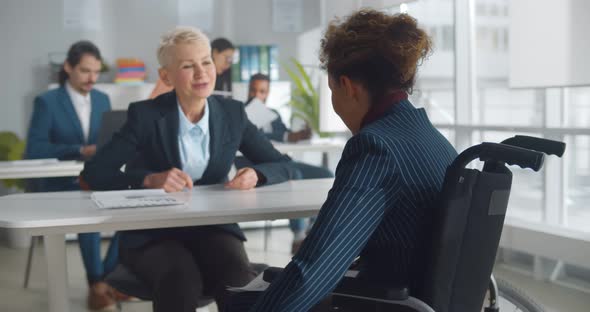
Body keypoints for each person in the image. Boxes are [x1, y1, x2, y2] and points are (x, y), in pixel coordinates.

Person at [246, 10, 458, 311]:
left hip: (385, 302)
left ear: (347, 86)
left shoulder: (375, 147)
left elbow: (315, 269)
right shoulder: (433, 140)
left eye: (332, 90)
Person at [81, 26, 298, 312]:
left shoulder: (232, 114)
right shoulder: (145, 116)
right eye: (187, 65)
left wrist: (257, 174)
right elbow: (93, 173)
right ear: (165, 76)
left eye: (206, 61)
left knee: (236, 275)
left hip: (213, 227)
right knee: (180, 278)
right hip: (153, 232)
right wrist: (148, 179)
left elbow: (284, 165)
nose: (202, 72)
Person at [25, 40, 120, 310]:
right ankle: (98, 285)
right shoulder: (47, 101)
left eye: (96, 72)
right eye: (85, 71)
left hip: (94, 178)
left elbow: (107, 140)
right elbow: (35, 148)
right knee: (87, 208)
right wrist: (79, 149)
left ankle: (105, 281)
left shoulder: (102, 99)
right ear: (68, 67)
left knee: (135, 210)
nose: (92, 78)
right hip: (60, 183)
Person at [241, 73, 334, 253]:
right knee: (295, 176)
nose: (256, 95)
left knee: (325, 174)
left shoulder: (273, 115)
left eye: (261, 91)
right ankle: (298, 235)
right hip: (256, 165)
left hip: (282, 161)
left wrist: (299, 135)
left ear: (267, 93)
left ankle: (313, 228)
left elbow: (286, 135)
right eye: (253, 90)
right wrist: (286, 136)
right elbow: (254, 138)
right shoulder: (239, 113)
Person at [148, 37, 236, 99]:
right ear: (215, 53)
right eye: (227, 58)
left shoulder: (219, 80)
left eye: (231, 60)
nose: (228, 63)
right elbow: (154, 103)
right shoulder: (176, 74)